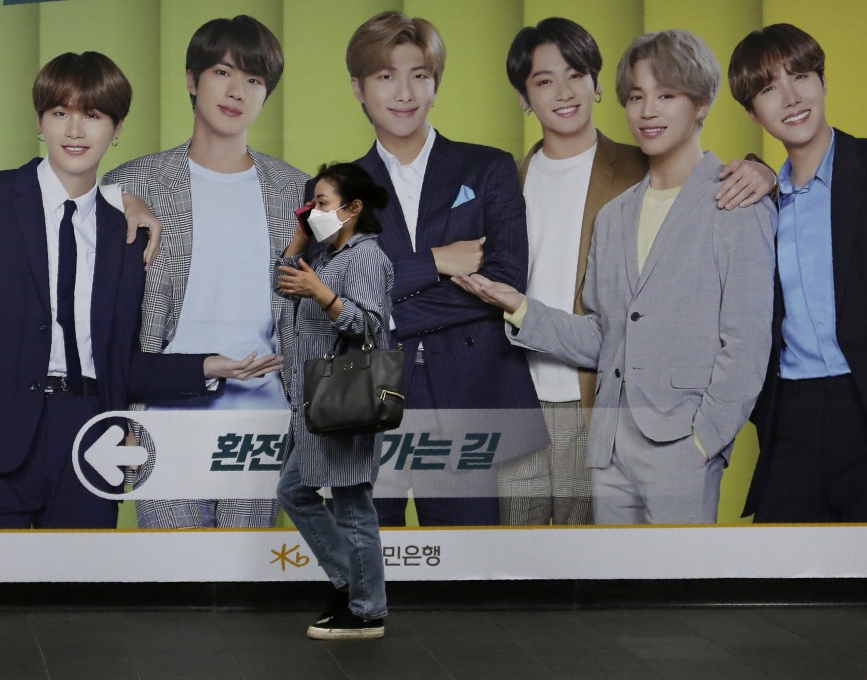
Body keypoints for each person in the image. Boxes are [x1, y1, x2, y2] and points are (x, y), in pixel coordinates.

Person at [0, 52, 279, 529]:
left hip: (91, 435)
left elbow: (122, 363)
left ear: (116, 129)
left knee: (80, 598)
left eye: (92, 116)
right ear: (40, 121)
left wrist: (208, 367)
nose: (75, 131)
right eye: (60, 113)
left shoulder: (128, 234)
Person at [455, 29, 776, 524]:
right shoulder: (615, 215)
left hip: (680, 443)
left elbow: (748, 342)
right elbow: (606, 333)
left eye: (666, 95)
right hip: (607, 445)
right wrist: (518, 307)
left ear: (702, 103)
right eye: (637, 97)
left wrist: (705, 439)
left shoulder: (733, 202)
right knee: (605, 595)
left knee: (674, 593)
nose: (648, 110)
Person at [346, 10, 549, 527]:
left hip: (468, 391)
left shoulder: (488, 167)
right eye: (385, 76)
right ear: (359, 89)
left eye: (419, 75)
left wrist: (386, 315)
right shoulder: (332, 191)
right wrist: (438, 261)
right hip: (367, 401)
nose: (404, 92)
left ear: (436, 85)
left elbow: (501, 281)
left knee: (468, 575)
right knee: (369, 568)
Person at [104, 15, 308, 529]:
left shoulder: (297, 193)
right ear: (193, 81)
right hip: (165, 419)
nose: (237, 90)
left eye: (255, 80)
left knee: (242, 590)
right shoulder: (133, 183)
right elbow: (108, 321)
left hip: (262, 420)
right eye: (222, 72)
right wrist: (121, 413)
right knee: (173, 590)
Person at [730, 24, 867, 522]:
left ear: (823, 81)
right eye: (768, 88)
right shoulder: (758, 203)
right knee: (778, 581)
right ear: (752, 112)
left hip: (860, 398)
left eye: (801, 76)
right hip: (792, 412)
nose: (790, 97)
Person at [276, 162, 393, 640]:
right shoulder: (326, 255)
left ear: (354, 208)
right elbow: (281, 282)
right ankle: (352, 583)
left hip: (342, 396)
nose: (314, 212)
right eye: (312, 204)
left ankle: (367, 610)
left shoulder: (365, 257)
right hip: (311, 403)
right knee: (294, 491)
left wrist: (321, 293)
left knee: (351, 504)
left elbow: (368, 327)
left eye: (321, 204)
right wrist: (302, 236)